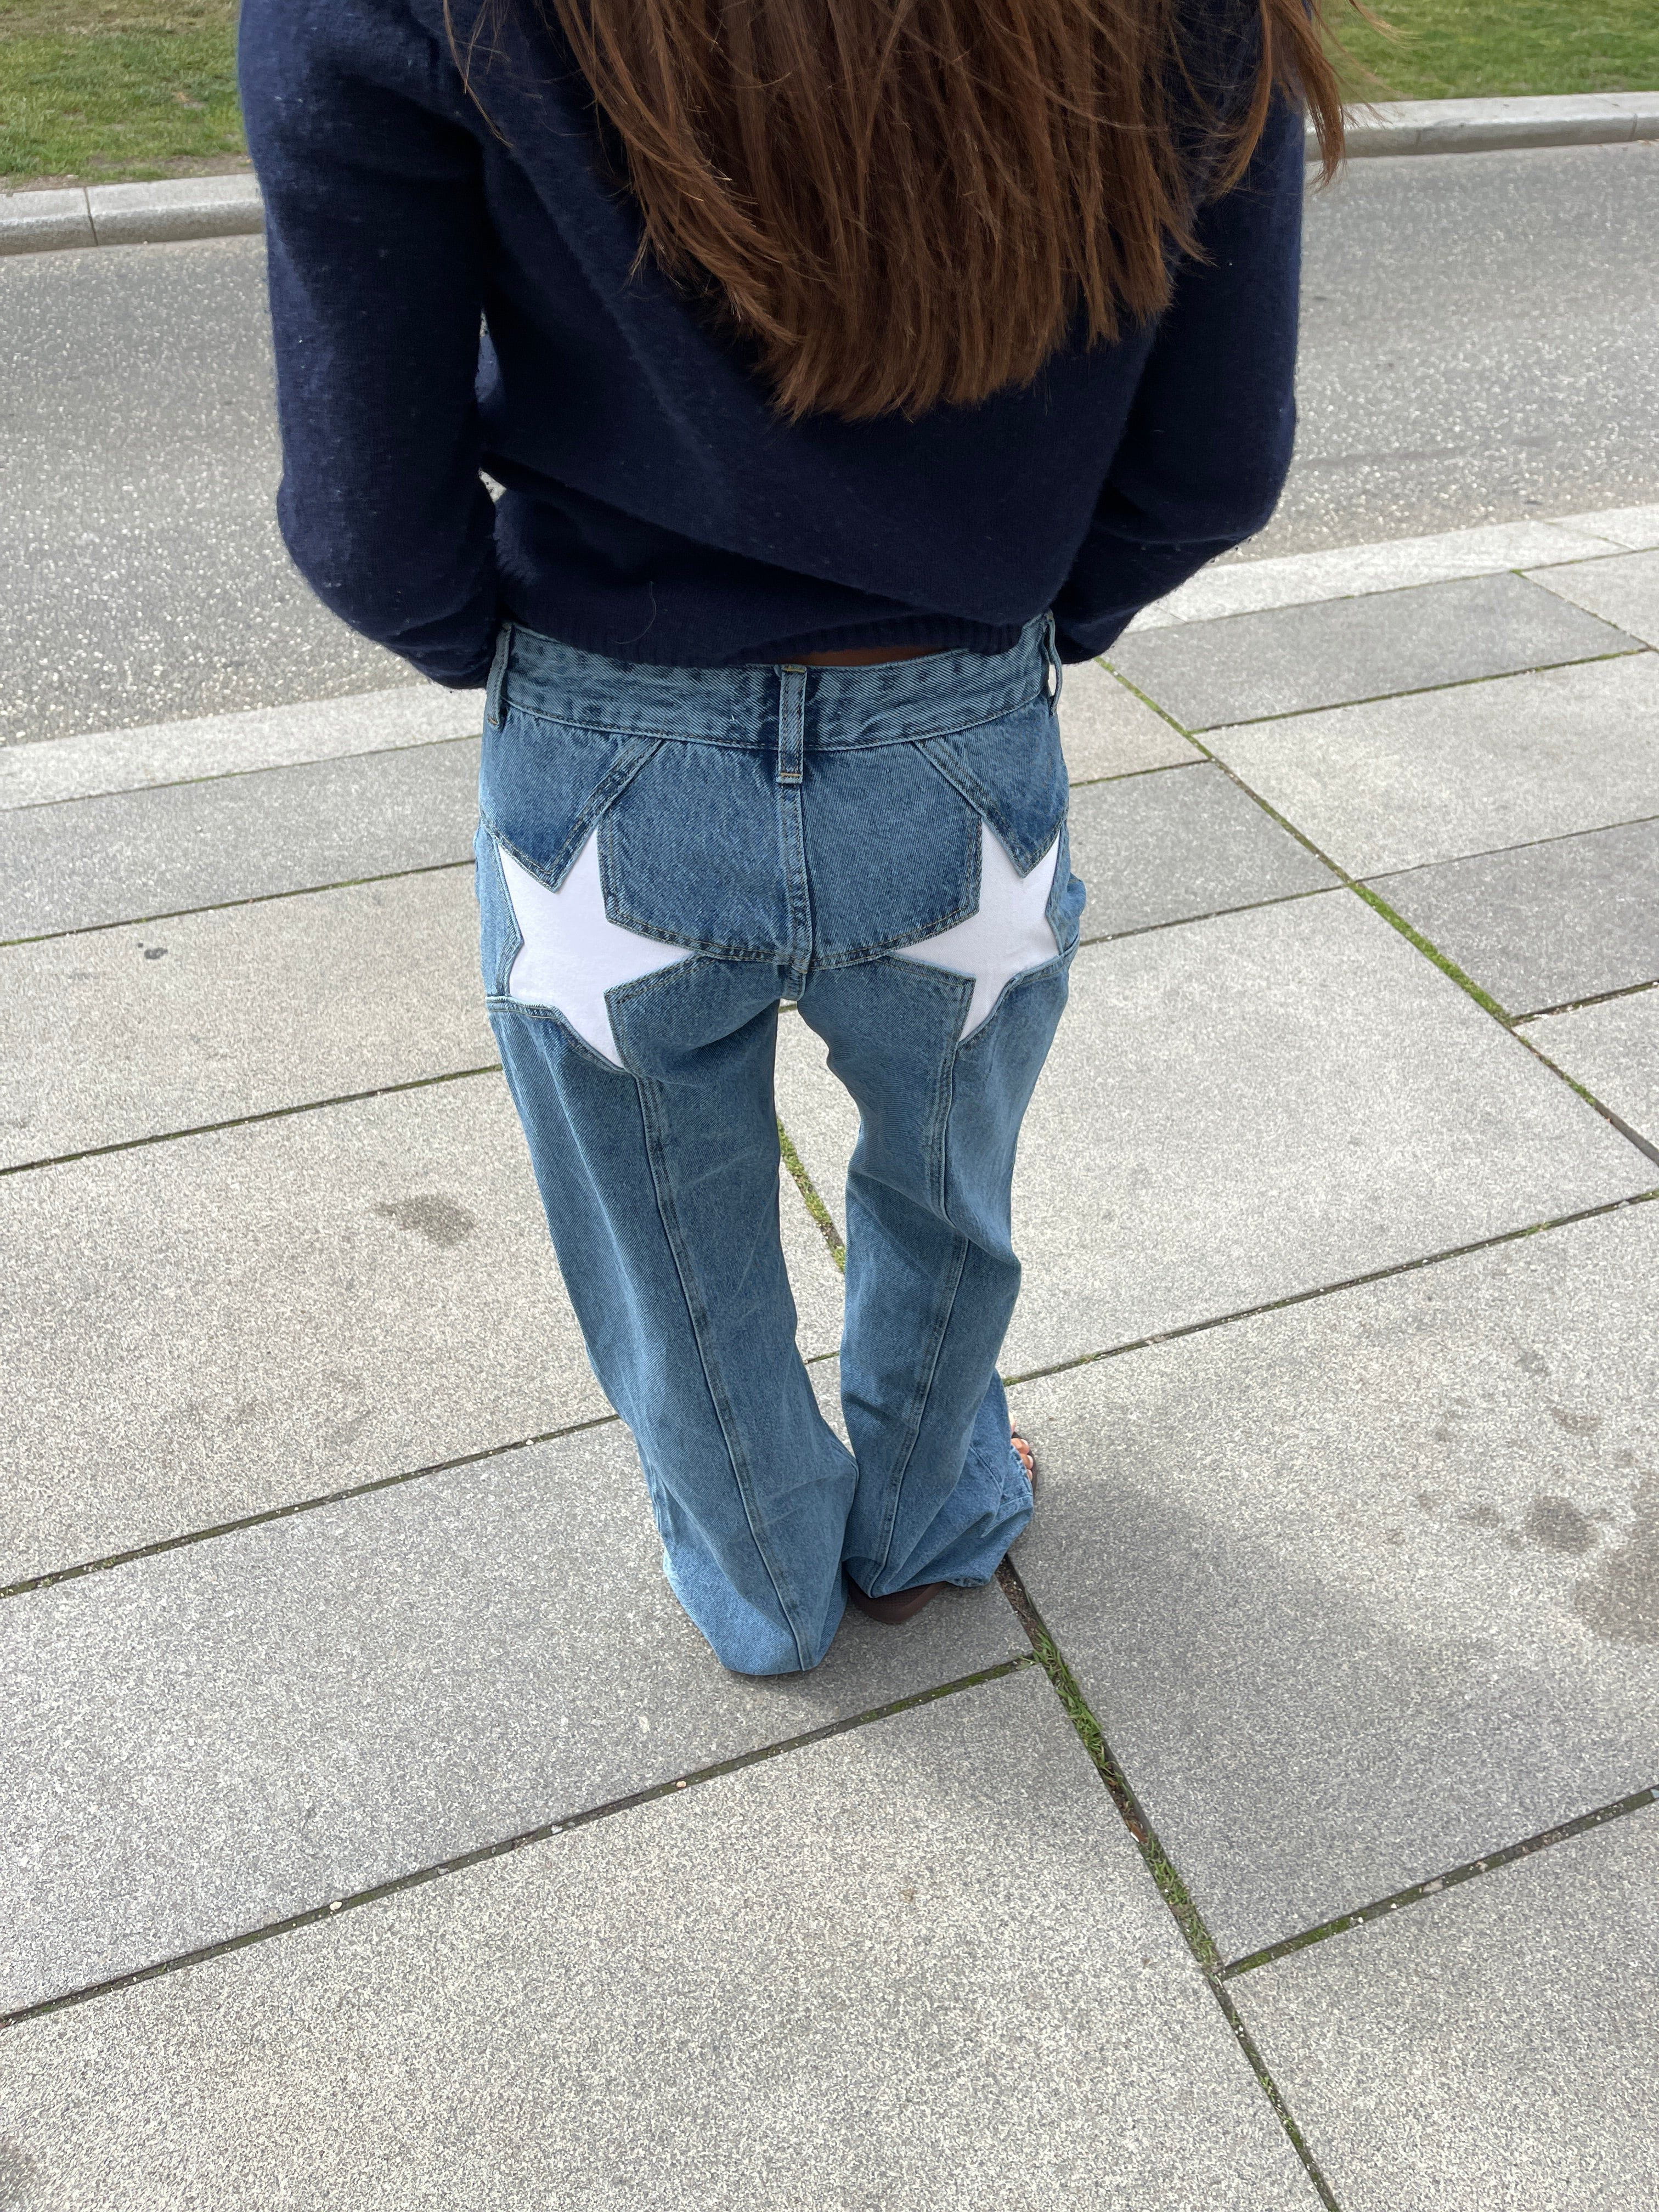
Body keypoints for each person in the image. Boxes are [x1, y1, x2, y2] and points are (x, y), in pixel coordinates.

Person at [239, 0, 1347, 1675]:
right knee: (949, 1176)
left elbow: (363, 517)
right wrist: (1028, 621)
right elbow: (1214, 465)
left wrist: (543, 671)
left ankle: (760, 1587)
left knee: (660, 1229)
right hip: (959, 743)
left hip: (602, 773)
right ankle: (928, 1516)